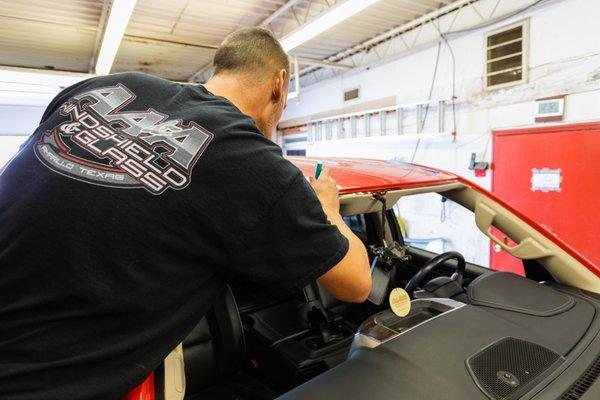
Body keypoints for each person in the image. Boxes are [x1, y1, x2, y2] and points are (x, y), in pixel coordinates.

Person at [0, 28, 371, 399]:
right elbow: (356, 285)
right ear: (279, 84)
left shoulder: (110, 86)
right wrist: (328, 210)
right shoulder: (253, 162)